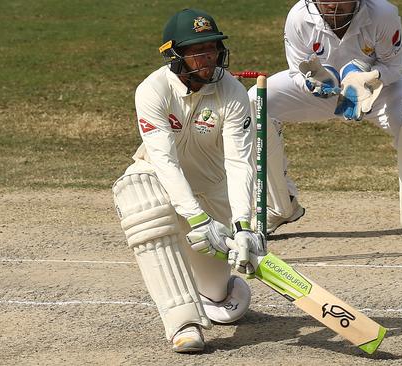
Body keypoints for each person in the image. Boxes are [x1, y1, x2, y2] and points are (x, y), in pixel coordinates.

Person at [112, 9, 265, 353]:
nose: (208, 58)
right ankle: (184, 324)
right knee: (141, 201)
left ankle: (214, 291)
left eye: (211, 48)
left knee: (221, 298)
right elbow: (164, 161)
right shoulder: (152, 91)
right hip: (157, 180)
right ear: (174, 55)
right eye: (197, 50)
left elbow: (240, 162)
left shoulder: (233, 92)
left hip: (211, 190)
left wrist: (243, 225)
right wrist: (196, 218)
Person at [248, 0, 402, 243]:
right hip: (324, 92)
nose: (334, 5)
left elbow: (396, 67)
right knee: (257, 103)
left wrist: (370, 77)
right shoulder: (299, 17)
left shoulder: (383, 13)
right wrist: (315, 82)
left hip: (379, 90)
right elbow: (297, 73)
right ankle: (279, 206)